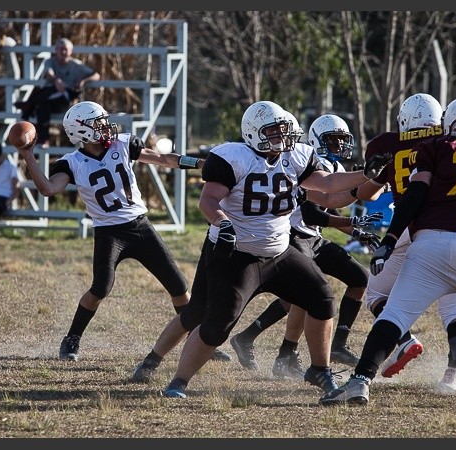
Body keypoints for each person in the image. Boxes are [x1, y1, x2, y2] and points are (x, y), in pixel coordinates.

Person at [133, 100, 390, 399]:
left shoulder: (295, 157)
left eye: (284, 130)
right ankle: (177, 381)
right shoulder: (233, 158)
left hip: (279, 252)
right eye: (274, 131)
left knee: (321, 298)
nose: (282, 137)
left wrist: (366, 174)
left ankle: (319, 370)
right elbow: (208, 200)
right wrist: (222, 222)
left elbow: (329, 184)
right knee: (213, 324)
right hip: (236, 254)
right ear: (253, 133)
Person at [320, 96, 456, 409]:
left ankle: (360, 381)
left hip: (431, 244)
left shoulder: (436, 147)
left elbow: (416, 193)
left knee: (394, 315)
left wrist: (390, 239)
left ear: (451, 123)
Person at [13, 100, 229, 363]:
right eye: (98, 123)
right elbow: (48, 189)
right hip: (109, 232)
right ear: (81, 130)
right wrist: (28, 155)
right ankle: (72, 338)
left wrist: (198, 163)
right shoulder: (71, 162)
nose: (105, 126)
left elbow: (163, 159)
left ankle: (200, 342)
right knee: (100, 289)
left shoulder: (122, 144)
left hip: (140, 226)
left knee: (179, 287)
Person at [229, 114, 383, 377]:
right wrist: (353, 221)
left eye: (341, 140)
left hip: (314, 238)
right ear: (317, 140)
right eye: (332, 140)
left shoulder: (335, 168)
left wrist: (357, 231)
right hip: (294, 235)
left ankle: (338, 344)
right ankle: (283, 354)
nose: (339, 146)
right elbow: (313, 214)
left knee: (359, 278)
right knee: (305, 293)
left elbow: (330, 207)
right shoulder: (308, 163)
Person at [350, 93, 456, 395]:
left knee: (377, 294)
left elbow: (369, 192)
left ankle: (405, 340)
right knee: (455, 308)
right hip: (449, 228)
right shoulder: (450, 143)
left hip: (405, 227)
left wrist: (350, 192)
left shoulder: (387, 144)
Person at [13, 38, 100, 148]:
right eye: (61, 49)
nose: (63, 52)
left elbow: (96, 75)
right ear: (56, 50)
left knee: (50, 92)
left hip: (65, 99)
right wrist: (56, 80)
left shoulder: (76, 65)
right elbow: (49, 73)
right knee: (42, 106)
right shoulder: (50, 61)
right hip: (49, 98)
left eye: (66, 49)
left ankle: (29, 105)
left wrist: (83, 81)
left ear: (71, 51)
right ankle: (43, 139)